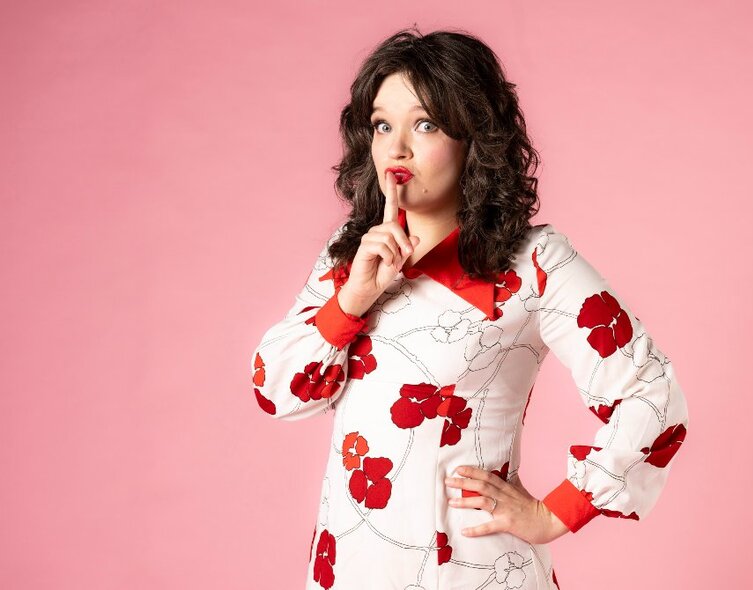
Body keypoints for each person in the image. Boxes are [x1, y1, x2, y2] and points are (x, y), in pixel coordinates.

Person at [250, 27, 689, 590]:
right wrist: (353, 299)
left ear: (473, 137)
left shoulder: (535, 262)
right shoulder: (350, 254)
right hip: (353, 569)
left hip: (473, 571)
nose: (396, 147)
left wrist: (556, 512)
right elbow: (274, 391)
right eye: (383, 125)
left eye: (425, 124)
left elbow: (652, 393)